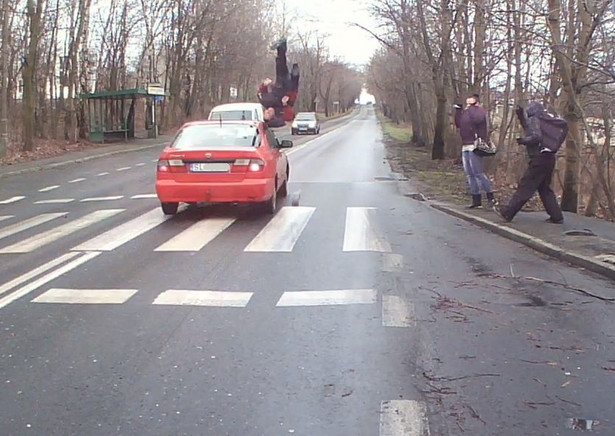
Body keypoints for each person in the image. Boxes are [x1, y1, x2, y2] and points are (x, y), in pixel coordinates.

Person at [494, 102, 564, 223]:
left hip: (539, 159)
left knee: (526, 186)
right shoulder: (546, 120)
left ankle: (508, 212)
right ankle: (556, 216)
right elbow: (531, 130)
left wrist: (523, 141)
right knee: (544, 188)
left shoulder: (534, 119)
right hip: (549, 158)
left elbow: (536, 137)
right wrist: (521, 118)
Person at [454, 93, 495, 209]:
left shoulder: (479, 111)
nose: (468, 103)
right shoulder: (466, 112)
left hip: (475, 144)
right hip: (465, 145)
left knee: (478, 172)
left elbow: (477, 120)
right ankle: (476, 200)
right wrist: (458, 111)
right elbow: (459, 124)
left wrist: (473, 107)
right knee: (469, 174)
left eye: (470, 101)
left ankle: (491, 197)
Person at [259, 38, 300, 128]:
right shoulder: (280, 114)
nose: (268, 111)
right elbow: (290, 116)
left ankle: (281, 47)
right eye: (269, 113)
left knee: (280, 66)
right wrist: (285, 104)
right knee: (294, 75)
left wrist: (264, 85)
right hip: (289, 91)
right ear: (272, 116)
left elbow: (262, 92)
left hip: (279, 85)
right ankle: (295, 67)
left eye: (266, 112)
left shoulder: (266, 103)